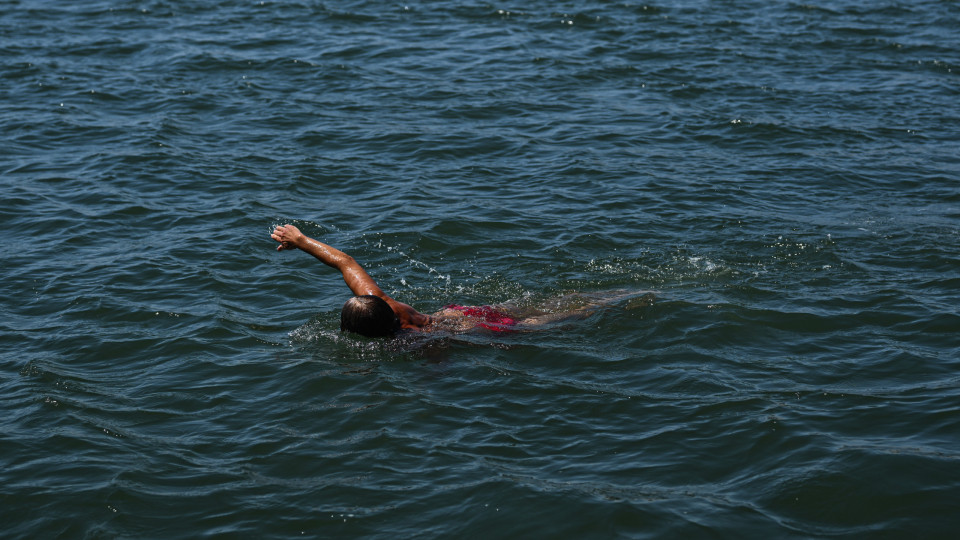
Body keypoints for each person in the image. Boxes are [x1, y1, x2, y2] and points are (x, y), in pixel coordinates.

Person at [271, 224, 648, 337]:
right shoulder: (379, 300)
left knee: (556, 320)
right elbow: (346, 263)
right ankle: (622, 292)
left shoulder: (406, 338)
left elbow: (439, 359)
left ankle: (630, 301)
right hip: (464, 311)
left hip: (477, 328)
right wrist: (301, 241)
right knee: (551, 304)